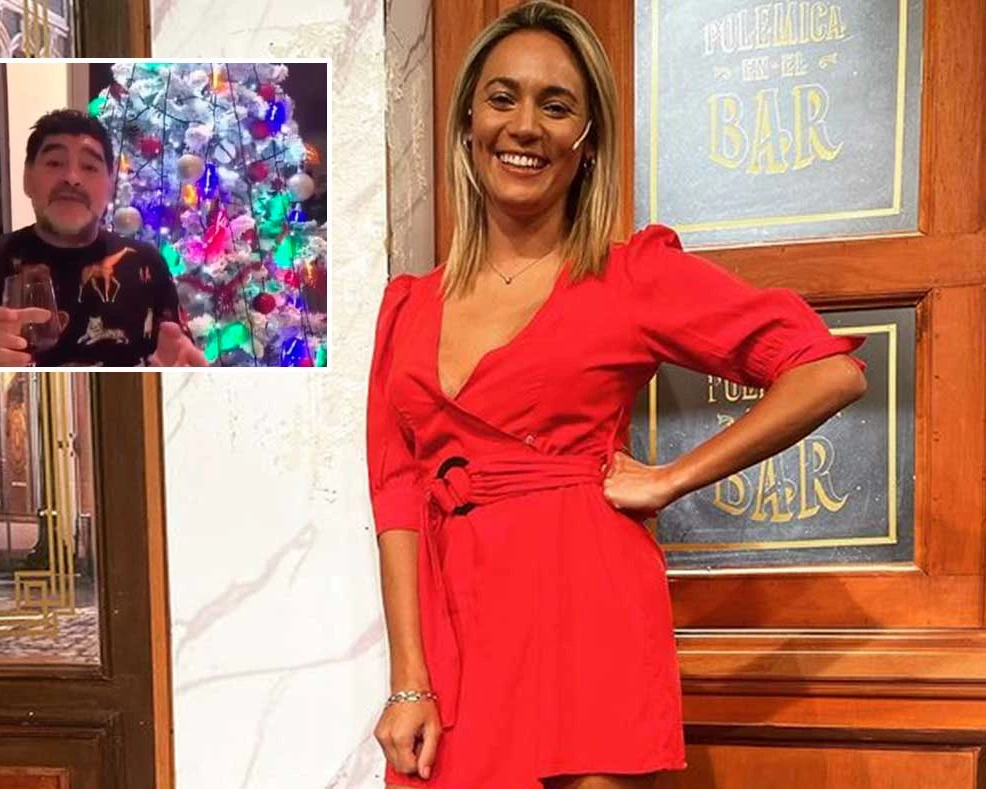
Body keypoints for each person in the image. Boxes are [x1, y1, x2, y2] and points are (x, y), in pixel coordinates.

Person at [365, 2, 867, 788]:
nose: (524, 126)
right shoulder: (406, 305)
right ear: (468, 121)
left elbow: (826, 369)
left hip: (585, 616)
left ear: (587, 140)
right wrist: (408, 679)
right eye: (502, 98)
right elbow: (396, 489)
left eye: (556, 106)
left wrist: (671, 477)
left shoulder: (630, 277)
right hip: (454, 630)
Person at [0, 109, 207, 367]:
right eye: (54, 163)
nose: (72, 178)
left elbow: (175, 352)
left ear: (110, 184)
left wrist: (178, 372)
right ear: (27, 178)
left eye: (90, 166)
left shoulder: (147, 264)